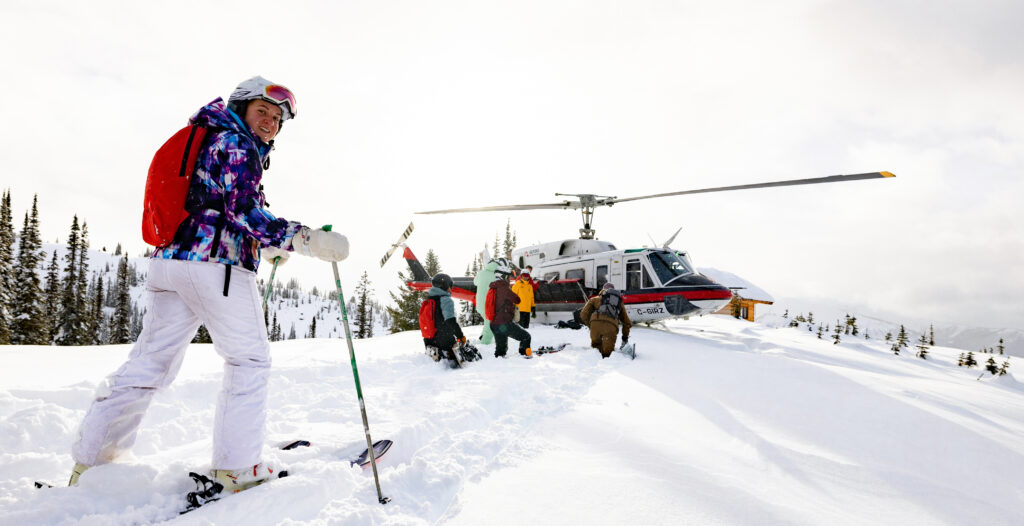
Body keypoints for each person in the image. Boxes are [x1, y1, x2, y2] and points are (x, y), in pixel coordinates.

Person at [67, 76, 350, 492]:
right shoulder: (237, 143)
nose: (270, 122)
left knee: (150, 362)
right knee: (249, 360)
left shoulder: (210, 138)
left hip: (170, 263)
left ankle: (91, 463)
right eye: (262, 112)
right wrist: (304, 239)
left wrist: (261, 244)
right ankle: (237, 467)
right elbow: (243, 209)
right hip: (214, 266)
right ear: (241, 108)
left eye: (276, 118)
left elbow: (215, 202)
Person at [422, 273, 477, 363]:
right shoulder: (446, 300)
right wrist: (460, 336)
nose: (451, 289)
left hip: (429, 340)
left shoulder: (429, 300)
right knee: (469, 351)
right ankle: (450, 354)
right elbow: (451, 321)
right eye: (450, 286)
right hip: (444, 341)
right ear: (445, 286)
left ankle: (437, 354)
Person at [486, 272, 532, 358]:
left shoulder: (492, 288)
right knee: (526, 337)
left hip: (494, 324)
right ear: (504, 277)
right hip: (504, 324)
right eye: (508, 277)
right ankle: (525, 355)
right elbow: (517, 300)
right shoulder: (504, 289)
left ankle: (498, 364)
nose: (509, 279)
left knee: (501, 351)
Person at [580, 282, 631, 358]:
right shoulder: (619, 302)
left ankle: (595, 366)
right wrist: (625, 338)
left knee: (596, 351)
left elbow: (583, 314)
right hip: (611, 327)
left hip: (595, 325)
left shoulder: (594, 299)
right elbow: (626, 322)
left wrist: (590, 325)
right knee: (608, 354)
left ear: (602, 290)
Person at [472, 256, 510, 344]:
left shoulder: (482, 272)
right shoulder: (498, 276)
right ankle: (485, 343)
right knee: (491, 324)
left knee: (487, 321)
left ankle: (483, 337)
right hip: (490, 305)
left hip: (480, 304)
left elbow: (475, 282)